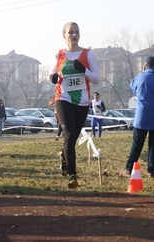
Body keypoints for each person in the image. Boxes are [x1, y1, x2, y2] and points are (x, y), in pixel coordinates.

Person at [48, 22, 100, 188]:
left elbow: (96, 79)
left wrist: (83, 70)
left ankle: (64, 157)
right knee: (69, 135)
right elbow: (52, 73)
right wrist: (53, 78)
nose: (74, 35)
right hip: (62, 97)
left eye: (77, 32)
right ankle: (72, 175)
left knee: (72, 137)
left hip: (82, 101)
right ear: (64, 35)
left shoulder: (88, 54)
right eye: (71, 32)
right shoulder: (59, 54)